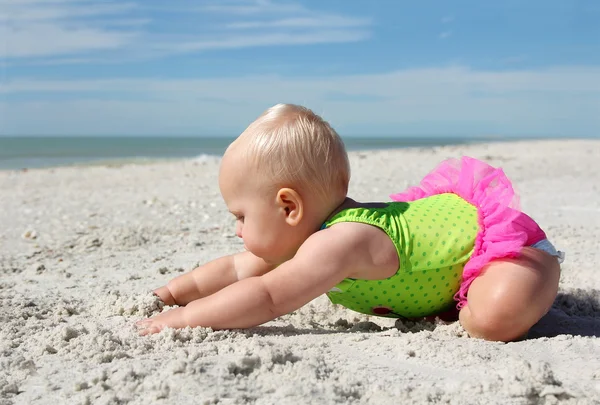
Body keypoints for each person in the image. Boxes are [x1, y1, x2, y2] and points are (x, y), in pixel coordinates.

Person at [136, 104, 564, 342]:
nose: (238, 231)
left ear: (289, 208)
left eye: (242, 216)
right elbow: (235, 269)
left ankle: (529, 279)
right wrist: (173, 293)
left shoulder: (338, 242)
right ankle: (456, 299)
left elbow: (266, 298)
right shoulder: (300, 240)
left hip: (503, 250)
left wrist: (178, 322)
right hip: (446, 254)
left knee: (491, 321)